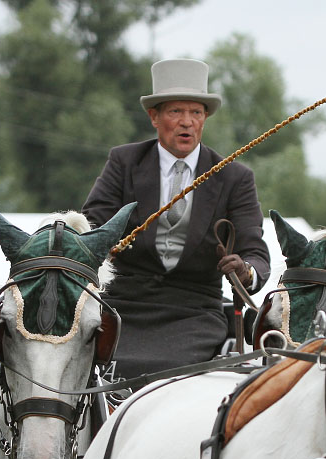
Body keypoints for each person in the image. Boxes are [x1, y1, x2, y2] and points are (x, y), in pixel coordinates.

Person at [81, 58, 271, 378]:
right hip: (124, 307)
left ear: (204, 118)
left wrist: (245, 271)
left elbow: (255, 253)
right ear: (154, 117)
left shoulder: (234, 177)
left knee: (174, 376)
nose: (187, 122)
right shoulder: (123, 162)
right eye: (175, 112)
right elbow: (91, 230)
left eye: (196, 113)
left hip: (195, 314)